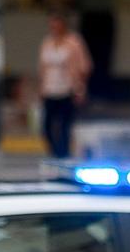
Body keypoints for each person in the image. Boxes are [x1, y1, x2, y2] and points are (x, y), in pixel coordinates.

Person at [37, 13, 92, 159]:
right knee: (47, 124)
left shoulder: (74, 42)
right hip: (50, 88)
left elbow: (84, 66)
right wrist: (41, 86)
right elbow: (42, 66)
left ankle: (63, 152)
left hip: (67, 88)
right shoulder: (47, 42)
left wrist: (80, 88)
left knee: (64, 124)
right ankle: (53, 150)